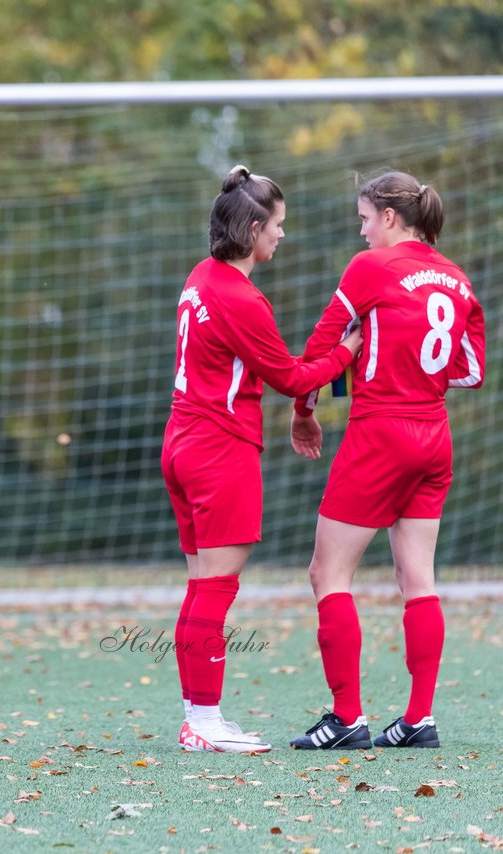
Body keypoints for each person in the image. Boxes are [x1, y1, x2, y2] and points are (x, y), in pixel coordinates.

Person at [162, 165, 363, 753]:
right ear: (252, 229)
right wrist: (346, 352)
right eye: (277, 225)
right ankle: (202, 722)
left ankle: (200, 717)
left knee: (202, 584)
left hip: (182, 441)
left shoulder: (201, 276)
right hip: (219, 449)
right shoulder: (240, 298)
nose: (282, 235)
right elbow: (291, 376)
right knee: (215, 588)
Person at [288, 172, 485, 750]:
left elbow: (325, 344)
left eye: (366, 218)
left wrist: (305, 408)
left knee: (328, 573)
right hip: (434, 435)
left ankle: (347, 718)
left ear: (392, 219)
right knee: (417, 576)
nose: (362, 228)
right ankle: (418, 719)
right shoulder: (454, 276)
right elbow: (470, 370)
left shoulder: (370, 267)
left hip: (381, 433)